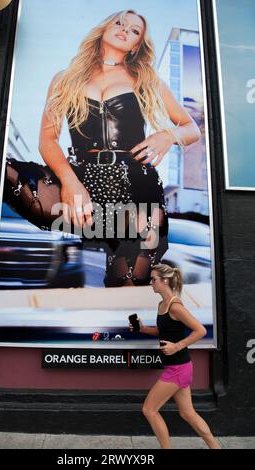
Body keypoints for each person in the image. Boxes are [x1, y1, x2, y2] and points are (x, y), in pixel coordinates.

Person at [36, 9, 201, 287]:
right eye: (119, 22)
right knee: (104, 270)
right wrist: (70, 181)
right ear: (104, 28)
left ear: (136, 45)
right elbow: (48, 140)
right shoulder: (64, 79)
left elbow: (192, 129)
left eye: (135, 30)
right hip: (87, 180)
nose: (125, 29)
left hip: (137, 180)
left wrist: (168, 135)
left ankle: (134, 326)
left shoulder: (146, 80)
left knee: (134, 276)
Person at [129, 263, 221, 449]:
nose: (151, 282)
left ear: (164, 281)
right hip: (179, 367)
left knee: (149, 409)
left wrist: (177, 346)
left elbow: (200, 330)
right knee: (187, 413)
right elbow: (163, 332)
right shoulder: (162, 304)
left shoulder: (175, 306)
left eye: (153, 279)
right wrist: (142, 328)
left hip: (177, 369)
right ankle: (216, 447)